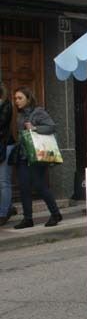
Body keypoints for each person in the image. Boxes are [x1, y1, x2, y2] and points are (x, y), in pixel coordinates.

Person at [12, 87, 63, 229]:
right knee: (24, 187)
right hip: (24, 155)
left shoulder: (38, 112)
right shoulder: (20, 114)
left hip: (38, 155)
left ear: (28, 99)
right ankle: (28, 219)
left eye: (20, 98)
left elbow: (52, 127)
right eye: (15, 98)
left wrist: (35, 128)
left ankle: (55, 213)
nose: (17, 101)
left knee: (39, 185)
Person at [0, 82, 18, 226]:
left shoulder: (6, 105)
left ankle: (4, 212)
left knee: (4, 181)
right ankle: (8, 207)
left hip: (5, 146)